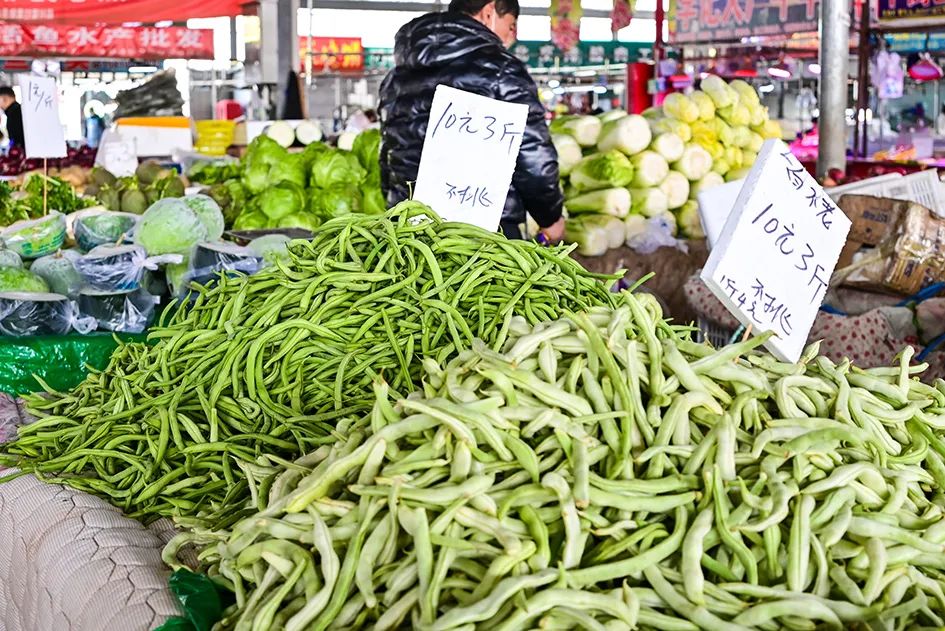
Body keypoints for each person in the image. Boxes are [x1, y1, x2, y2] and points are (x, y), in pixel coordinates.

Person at [378, 0, 565, 241]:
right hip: (483, 232)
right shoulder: (503, 70)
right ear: (489, 12)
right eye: (510, 27)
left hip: (410, 228)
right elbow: (532, 154)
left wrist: (395, 204)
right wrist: (550, 218)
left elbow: (387, 154)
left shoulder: (396, 77)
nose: (511, 39)